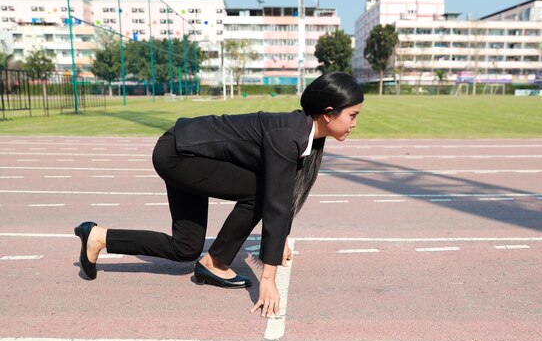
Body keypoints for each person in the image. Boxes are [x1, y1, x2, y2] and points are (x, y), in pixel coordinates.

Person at [74, 72, 364, 318]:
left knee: (185, 248)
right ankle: (214, 263)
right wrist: (267, 278)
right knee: (260, 192)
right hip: (179, 153)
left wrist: (283, 237)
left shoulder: (302, 134)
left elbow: (283, 193)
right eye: (352, 115)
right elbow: (275, 201)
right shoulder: (289, 135)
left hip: (185, 150)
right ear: (328, 113)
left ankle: (99, 236)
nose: (354, 123)